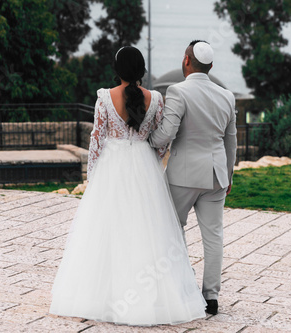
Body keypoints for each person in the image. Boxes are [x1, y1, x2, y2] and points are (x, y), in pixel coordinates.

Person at [49, 46, 206, 326]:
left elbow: (96, 142)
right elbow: (162, 141)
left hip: (113, 166)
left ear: (117, 69)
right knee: (146, 231)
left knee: (106, 231)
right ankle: (150, 297)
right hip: (144, 165)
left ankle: (100, 297)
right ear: (141, 70)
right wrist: (154, 166)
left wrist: (92, 177)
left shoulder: (104, 98)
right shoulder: (156, 99)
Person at [149, 40, 238, 315]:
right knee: (214, 237)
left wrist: (147, 141)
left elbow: (166, 134)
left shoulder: (178, 90)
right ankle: (211, 297)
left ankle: (182, 289)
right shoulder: (227, 96)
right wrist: (229, 174)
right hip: (216, 176)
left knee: (175, 231)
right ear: (211, 66)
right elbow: (231, 142)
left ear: (187, 61)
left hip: (183, 176)